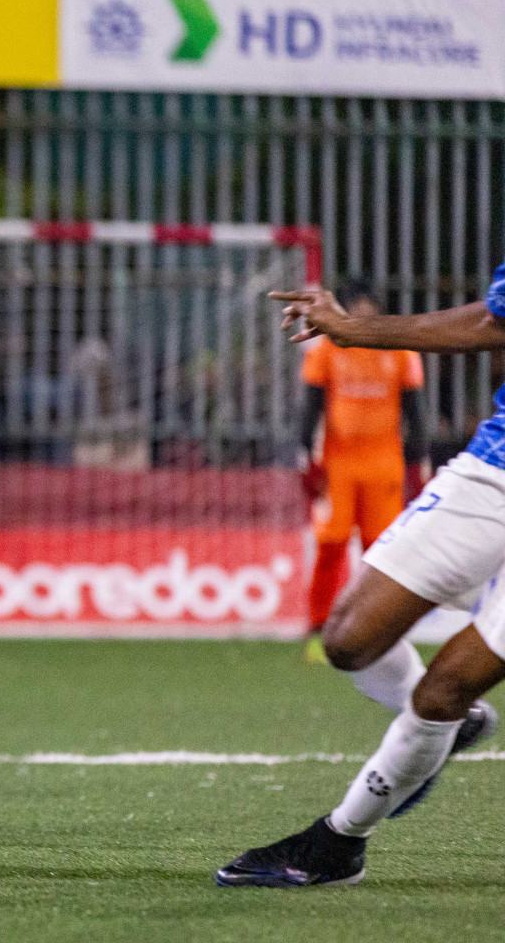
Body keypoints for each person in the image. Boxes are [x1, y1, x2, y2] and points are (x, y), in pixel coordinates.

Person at [215, 278, 505, 888]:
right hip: (493, 467)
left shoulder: (384, 350)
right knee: (348, 638)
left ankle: (338, 841)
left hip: (387, 462)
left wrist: (357, 329)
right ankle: (455, 725)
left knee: (445, 688)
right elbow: (496, 320)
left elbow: (488, 331)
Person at [300, 278, 428, 659]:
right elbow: (310, 406)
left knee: (382, 549)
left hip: (384, 463)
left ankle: (379, 632)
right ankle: (319, 630)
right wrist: (304, 454)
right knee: (331, 544)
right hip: (337, 463)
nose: (363, 313)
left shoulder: (400, 351)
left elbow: (414, 412)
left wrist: (417, 463)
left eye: (369, 306)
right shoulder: (327, 349)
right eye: (357, 306)